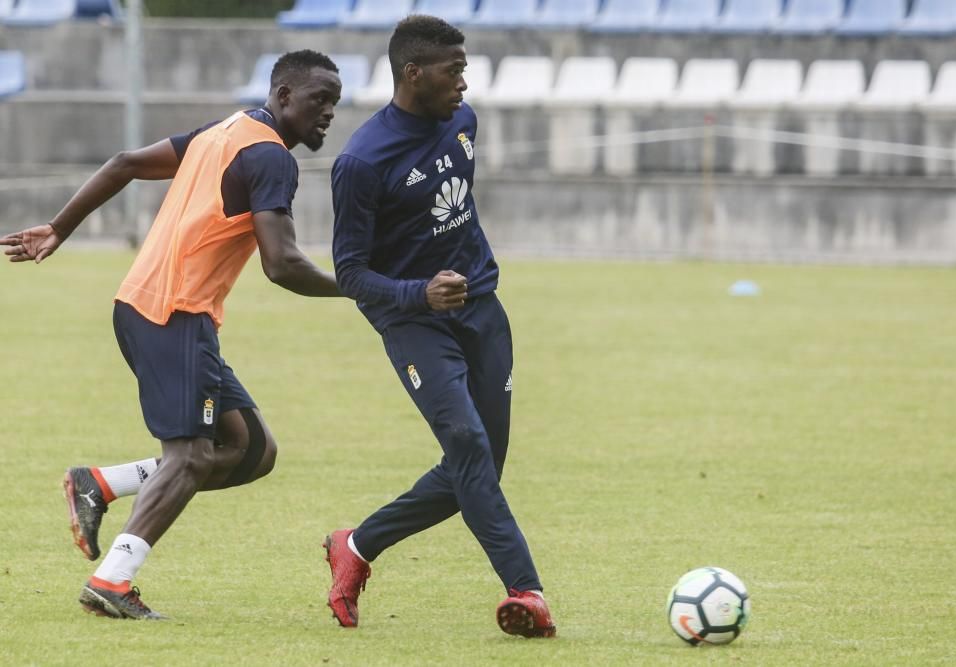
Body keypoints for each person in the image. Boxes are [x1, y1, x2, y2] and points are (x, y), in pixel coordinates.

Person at [1, 50, 344, 619]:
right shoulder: (269, 157)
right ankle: (112, 581)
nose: (329, 112)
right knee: (189, 456)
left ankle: (102, 483)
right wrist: (367, 288)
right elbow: (282, 264)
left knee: (253, 450)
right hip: (172, 313)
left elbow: (124, 162)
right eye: (319, 100)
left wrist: (60, 227)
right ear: (283, 95)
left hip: (155, 308)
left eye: (334, 101)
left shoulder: (228, 130)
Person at [325, 16, 555, 638]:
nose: (464, 80)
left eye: (465, 67)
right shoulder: (361, 162)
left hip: (483, 311)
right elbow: (348, 272)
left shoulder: (464, 121)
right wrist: (417, 294)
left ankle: (357, 544)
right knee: (469, 449)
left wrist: (465, 281)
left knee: (474, 471)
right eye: (454, 69)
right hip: (414, 324)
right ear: (413, 73)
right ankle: (526, 591)